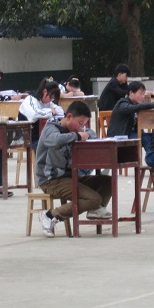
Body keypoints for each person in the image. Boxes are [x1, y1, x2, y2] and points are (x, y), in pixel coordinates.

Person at [37, 101, 111, 237]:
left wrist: (84, 133)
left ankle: (95, 210)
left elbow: (91, 134)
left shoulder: (75, 130)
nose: (81, 127)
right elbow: (54, 140)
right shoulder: (51, 128)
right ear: (69, 116)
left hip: (70, 177)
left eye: (84, 124)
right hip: (51, 180)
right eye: (80, 123)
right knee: (94, 199)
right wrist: (76, 136)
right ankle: (50, 215)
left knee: (108, 181)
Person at [107, 80, 154, 147]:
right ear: (131, 93)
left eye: (144, 94)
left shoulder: (135, 104)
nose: (143, 96)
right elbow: (133, 108)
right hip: (120, 136)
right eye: (140, 94)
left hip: (131, 133)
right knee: (146, 138)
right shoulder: (122, 103)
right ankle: (152, 153)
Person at [19, 78, 64, 151]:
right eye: (50, 97)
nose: (51, 100)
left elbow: (60, 111)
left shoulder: (47, 102)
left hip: (42, 135)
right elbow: (34, 115)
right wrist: (50, 111)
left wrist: (49, 111)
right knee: (51, 149)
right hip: (29, 137)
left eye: (53, 99)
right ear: (45, 91)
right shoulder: (30, 99)